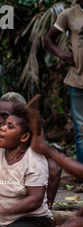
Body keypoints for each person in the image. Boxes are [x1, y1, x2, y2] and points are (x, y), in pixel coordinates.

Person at [0, 124, 83, 227]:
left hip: (35, 220)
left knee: (74, 223)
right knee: (75, 222)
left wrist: (48, 151)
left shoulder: (34, 159)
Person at [0, 92, 61, 208]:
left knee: (54, 166)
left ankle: (47, 206)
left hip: (23, 183)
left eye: (4, 116)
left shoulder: (29, 132)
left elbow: (51, 164)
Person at [44, 1, 83, 168]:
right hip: (77, 80)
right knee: (81, 131)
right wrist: (62, 54)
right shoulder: (69, 14)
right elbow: (48, 38)